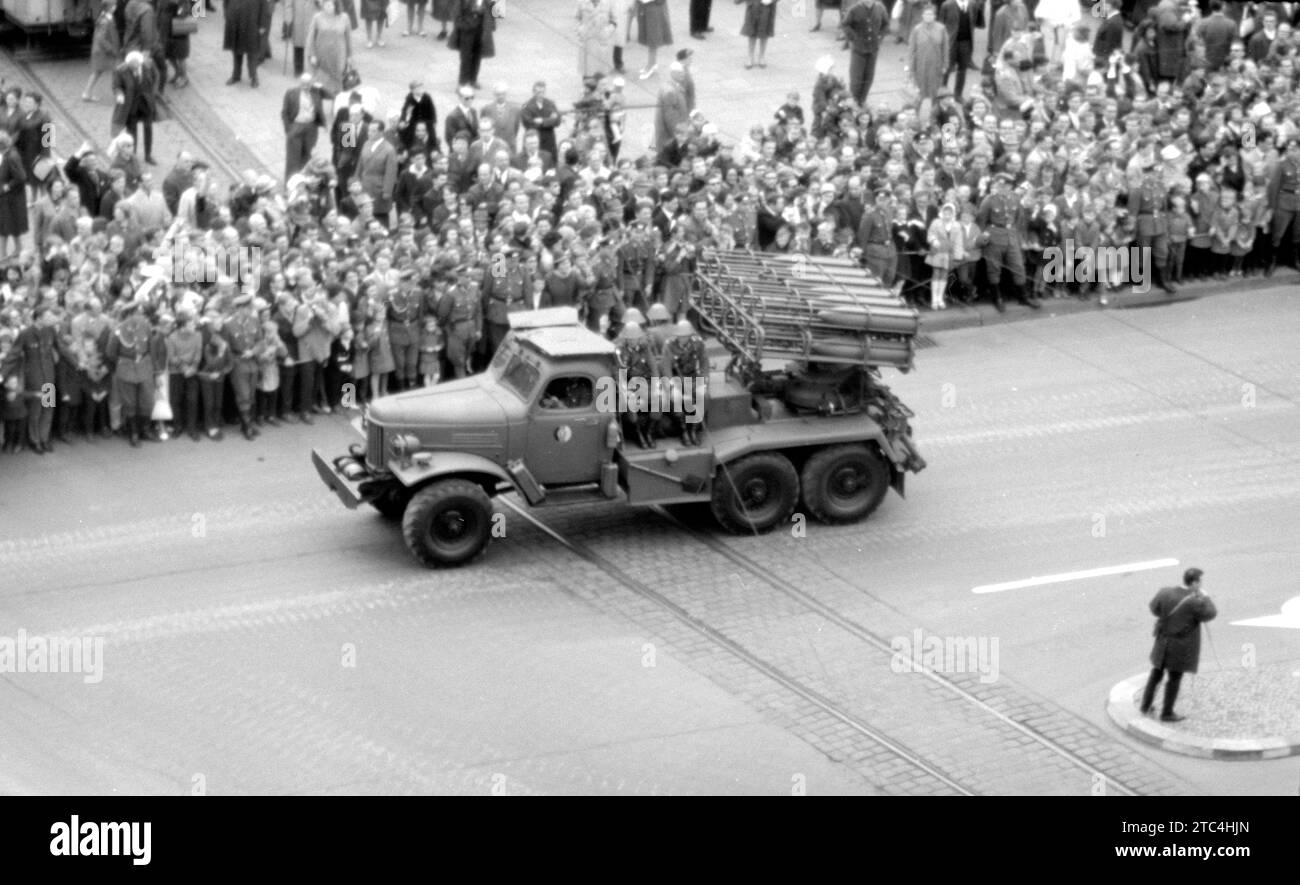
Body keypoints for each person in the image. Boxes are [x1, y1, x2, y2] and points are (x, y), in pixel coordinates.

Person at [1140, 568, 1217, 723]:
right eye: (1200, 582)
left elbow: (1154, 608)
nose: (1201, 584)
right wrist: (1206, 597)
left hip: (1162, 642)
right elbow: (1211, 613)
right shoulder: (1195, 602)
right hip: (1180, 647)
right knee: (1174, 678)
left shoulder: (1165, 592)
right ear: (1195, 583)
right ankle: (1167, 713)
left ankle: (1145, 705)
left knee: (1156, 674)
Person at [111, 52, 159, 166]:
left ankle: (148, 155)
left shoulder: (148, 65)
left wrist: (153, 92)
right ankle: (133, 155)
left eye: (137, 65)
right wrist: (119, 94)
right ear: (127, 64)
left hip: (146, 103)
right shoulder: (120, 71)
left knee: (148, 128)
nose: (135, 68)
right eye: (132, 66)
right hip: (131, 105)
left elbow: (156, 76)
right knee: (132, 132)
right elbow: (116, 86)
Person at [840, 0, 890, 106]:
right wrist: (854, 38)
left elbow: (886, 24)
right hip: (858, 49)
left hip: (873, 49)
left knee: (869, 77)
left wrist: (880, 37)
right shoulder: (854, 9)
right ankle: (853, 101)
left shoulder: (880, 8)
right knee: (856, 79)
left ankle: (862, 99)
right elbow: (845, 25)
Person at [282, 73, 328, 181]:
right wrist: (289, 129)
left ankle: (303, 181)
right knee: (293, 159)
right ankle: (291, 184)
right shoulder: (291, 92)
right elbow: (284, 113)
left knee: (307, 156)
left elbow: (331, 95)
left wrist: (320, 86)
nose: (306, 86)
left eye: (308, 84)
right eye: (303, 83)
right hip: (297, 126)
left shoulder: (316, 91)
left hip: (311, 128)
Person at [308, 0, 354, 104]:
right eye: (325, 4)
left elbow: (348, 39)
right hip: (322, 57)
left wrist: (350, 56)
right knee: (320, 83)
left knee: (338, 83)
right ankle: (318, 108)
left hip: (339, 57)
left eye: (330, 4)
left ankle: (337, 106)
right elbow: (311, 38)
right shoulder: (317, 18)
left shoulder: (344, 18)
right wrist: (312, 55)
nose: (328, 7)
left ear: (336, 5)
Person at [449, 0, 498, 89]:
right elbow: (456, 11)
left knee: (477, 56)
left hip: (481, 29)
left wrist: (492, 25)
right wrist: (461, 24)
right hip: (467, 30)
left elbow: (493, 8)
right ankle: (463, 82)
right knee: (465, 56)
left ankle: (473, 79)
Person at [906, 4, 948, 104]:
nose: (928, 16)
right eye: (926, 14)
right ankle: (917, 112)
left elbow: (945, 49)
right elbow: (911, 50)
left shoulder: (941, 29)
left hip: (936, 65)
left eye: (930, 14)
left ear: (935, 16)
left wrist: (945, 65)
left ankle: (934, 113)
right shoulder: (917, 29)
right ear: (922, 16)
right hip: (920, 66)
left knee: (935, 91)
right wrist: (910, 68)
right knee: (920, 92)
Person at [937, 0, 980, 99]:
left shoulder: (972, 4)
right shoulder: (947, 5)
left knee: (962, 70)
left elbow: (974, 23)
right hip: (950, 43)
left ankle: (958, 95)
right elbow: (940, 25)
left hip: (966, 43)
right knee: (946, 69)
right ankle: (942, 94)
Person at [225, 0, 273, 88]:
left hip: (252, 23)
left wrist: (262, 25)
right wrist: (227, 16)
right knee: (236, 51)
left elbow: (264, 6)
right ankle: (236, 75)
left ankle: (254, 77)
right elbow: (226, 3)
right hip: (236, 21)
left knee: (252, 53)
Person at [85, 2, 122, 102]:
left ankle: (87, 93)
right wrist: (111, 49)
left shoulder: (106, 18)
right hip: (104, 52)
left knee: (97, 72)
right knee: (115, 70)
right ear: (110, 7)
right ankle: (118, 93)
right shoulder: (105, 21)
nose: (115, 6)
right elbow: (101, 38)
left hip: (102, 51)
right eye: (114, 5)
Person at [0, 132, 26, 263]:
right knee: (11, 225)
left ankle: (3, 254)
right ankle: (18, 248)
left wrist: (7, 187)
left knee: (3, 227)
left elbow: (21, 177)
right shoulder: (7, 155)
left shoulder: (12, 157)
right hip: (9, 197)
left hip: (11, 197)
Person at [634, 0, 673, 80]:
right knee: (649, 35)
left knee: (653, 37)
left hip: (654, 7)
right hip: (645, 6)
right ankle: (652, 63)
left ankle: (650, 65)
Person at [159, 0, 193, 89]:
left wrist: (178, 3)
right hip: (167, 28)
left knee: (181, 55)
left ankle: (184, 77)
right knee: (168, 54)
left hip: (180, 26)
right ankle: (177, 72)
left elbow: (184, 14)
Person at [578, 0, 617, 78]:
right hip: (587, 42)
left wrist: (607, 31)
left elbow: (614, 21)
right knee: (588, 76)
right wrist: (580, 29)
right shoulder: (582, 2)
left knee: (601, 77)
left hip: (602, 42)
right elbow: (576, 18)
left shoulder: (608, 3)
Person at [740, 0, 776, 70]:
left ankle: (761, 56)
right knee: (752, 32)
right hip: (753, 6)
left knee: (765, 33)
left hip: (768, 8)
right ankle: (750, 57)